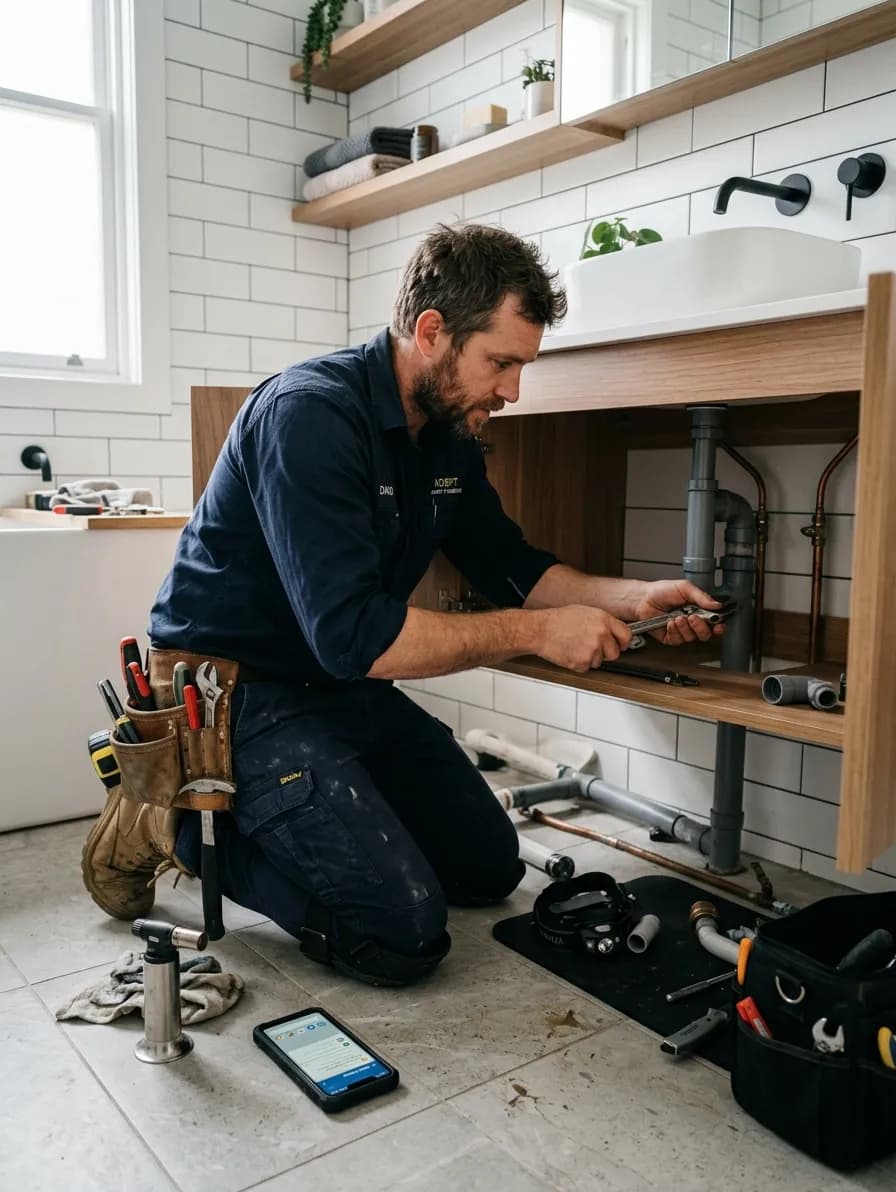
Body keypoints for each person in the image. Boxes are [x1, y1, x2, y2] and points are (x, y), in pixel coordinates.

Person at [82, 223, 723, 986]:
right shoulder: (310, 415)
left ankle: (307, 817)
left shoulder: (447, 432)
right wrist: (540, 633)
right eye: (502, 362)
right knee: (403, 934)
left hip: (340, 686)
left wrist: (633, 596)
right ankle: (175, 827)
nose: (513, 390)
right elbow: (357, 636)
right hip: (238, 697)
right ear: (431, 332)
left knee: (488, 870)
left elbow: (510, 565)